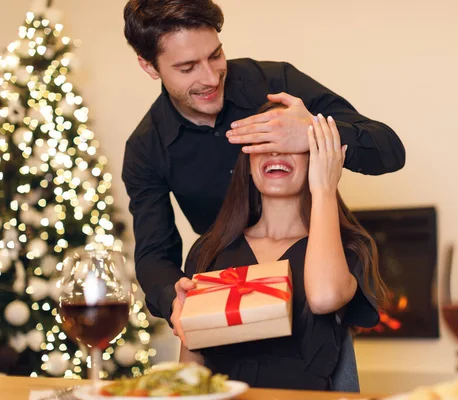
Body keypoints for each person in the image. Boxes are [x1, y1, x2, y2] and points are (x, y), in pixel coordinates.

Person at [121, 0, 404, 328]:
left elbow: (389, 149)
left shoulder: (276, 83)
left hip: (317, 273)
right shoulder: (146, 148)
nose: (211, 78)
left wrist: (312, 131)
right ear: (149, 66)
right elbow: (155, 254)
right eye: (187, 68)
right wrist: (176, 300)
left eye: (215, 55)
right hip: (225, 292)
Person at [174, 102, 386, 390]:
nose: (276, 151)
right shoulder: (209, 250)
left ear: (316, 158)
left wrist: (324, 187)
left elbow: (324, 297)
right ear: (247, 162)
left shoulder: (348, 248)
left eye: (289, 140)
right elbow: (190, 370)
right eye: (264, 141)